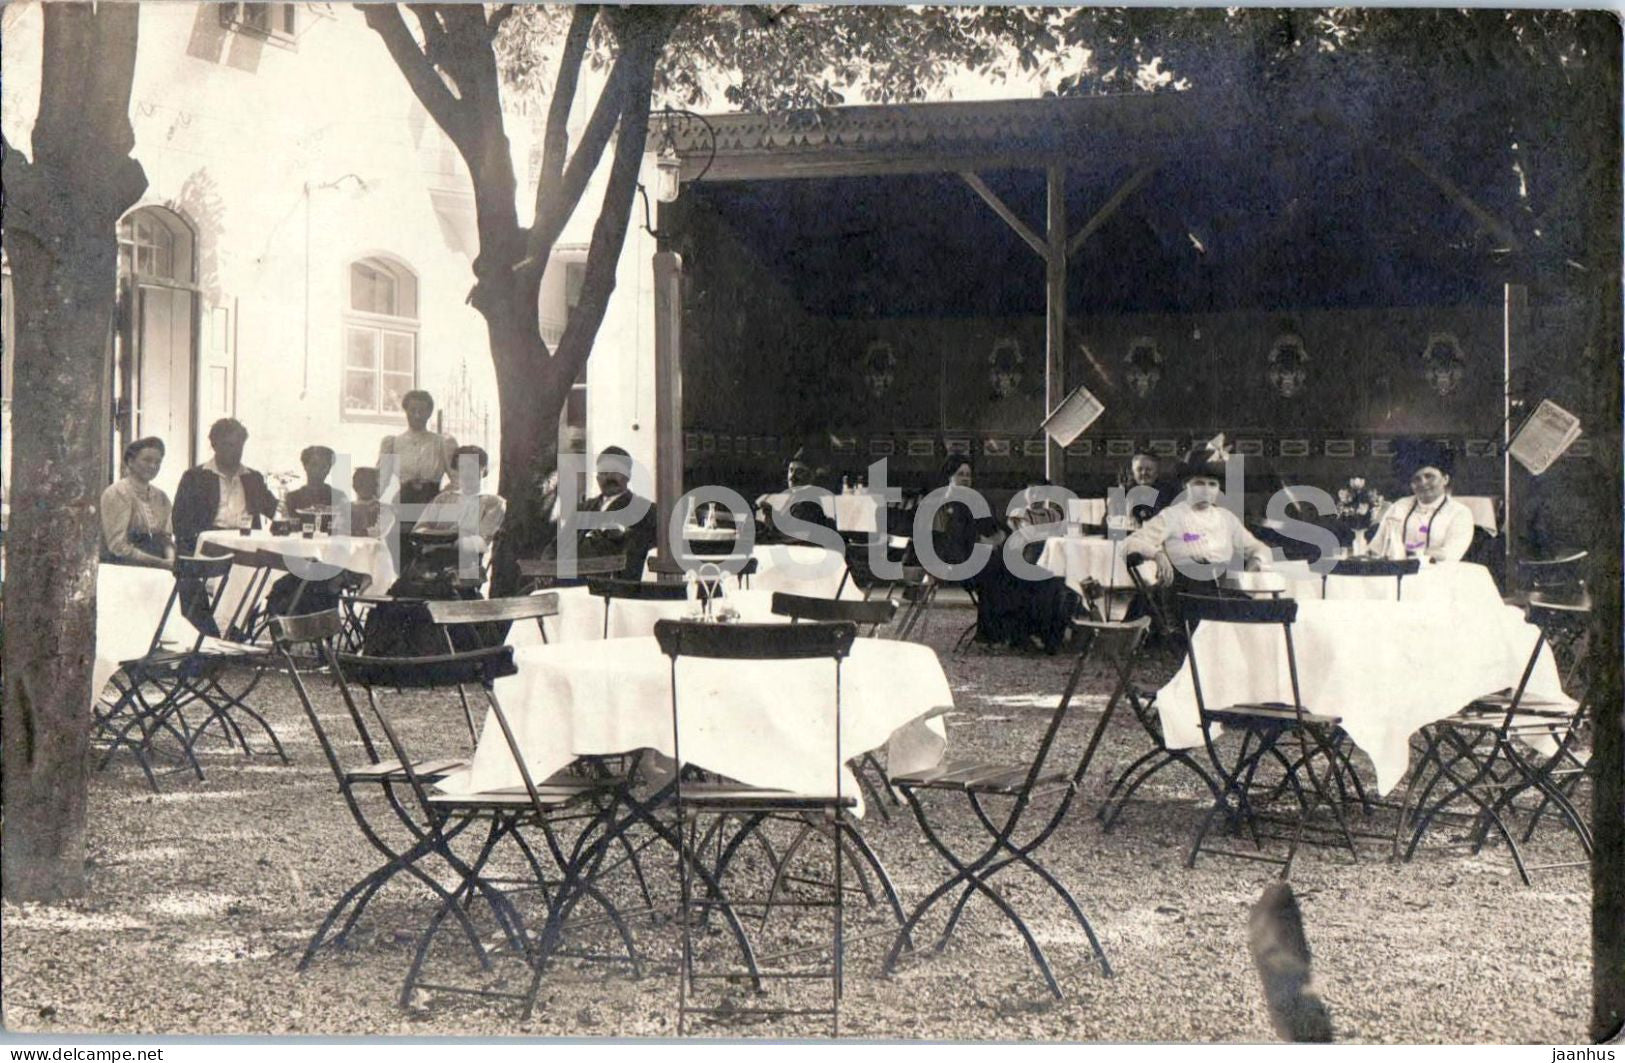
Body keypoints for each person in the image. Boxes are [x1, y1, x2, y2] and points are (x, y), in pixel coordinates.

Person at [930, 457, 1078, 653]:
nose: (965, 479)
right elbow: (948, 542)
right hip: (960, 565)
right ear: (949, 477)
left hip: (983, 561)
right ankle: (1022, 635)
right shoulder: (942, 503)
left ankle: (1039, 634)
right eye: (960, 474)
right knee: (1020, 579)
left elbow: (994, 529)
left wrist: (994, 539)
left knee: (1037, 578)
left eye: (968, 475)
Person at [1123, 441, 1270, 599]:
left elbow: (1260, 548)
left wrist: (1255, 560)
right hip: (1185, 594)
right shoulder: (1172, 516)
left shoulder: (1226, 518)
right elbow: (1129, 544)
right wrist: (1157, 554)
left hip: (1223, 591)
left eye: (1212, 484)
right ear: (1186, 486)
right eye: (1199, 483)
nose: (1206, 491)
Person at [172, 418, 279, 553]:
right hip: (210, 548)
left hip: (248, 547)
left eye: (238, 445)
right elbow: (180, 523)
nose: (234, 451)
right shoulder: (194, 477)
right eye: (228, 445)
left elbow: (275, 510)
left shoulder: (253, 479)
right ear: (214, 445)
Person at [1366, 441, 1474, 564]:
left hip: (1440, 576)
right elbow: (1377, 547)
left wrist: (1409, 553)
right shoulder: (1399, 506)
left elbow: (1451, 554)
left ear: (1445, 479)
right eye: (1416, 479)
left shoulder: (1460, 513)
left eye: (1429, 476)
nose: (1423, 483)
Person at [572, 445, 658, 580]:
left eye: (615, 471)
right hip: (575, 584)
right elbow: (557, 546)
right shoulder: (583, 508)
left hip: (616, 585)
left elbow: (642, 553)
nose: (609, 478)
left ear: (628, 475)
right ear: (597, 477)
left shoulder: (646, 510)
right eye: (604, 472)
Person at [100, 436, 175, 568]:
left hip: (160, 565)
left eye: (158, 462)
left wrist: (170, 560)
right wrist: (160, 563)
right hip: (125, 566)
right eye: (147, 460)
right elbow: (117, 546)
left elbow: (166, 539)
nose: (153, 466)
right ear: (130, 462)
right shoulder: (117, 493)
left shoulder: (161, 497)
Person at [377, 389, 458, 508]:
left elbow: (458, 481)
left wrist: (442, 499)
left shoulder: (442, 443)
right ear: (405, 411)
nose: (417, 415)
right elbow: (381, 482)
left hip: (433, 509)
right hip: (402, 509)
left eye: (422, 411)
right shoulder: (393, 443)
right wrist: (385, 504)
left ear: (429, 413)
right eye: (412, 410)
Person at [757, 447, 836, 542]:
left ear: (811, 476)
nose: (792, 477)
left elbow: (795, 537)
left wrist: (772, 518)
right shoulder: (794, 497)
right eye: (791, 470)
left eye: (799, 472)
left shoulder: (809, 502)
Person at [285, 445, 349, 519]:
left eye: (324, 466)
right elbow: (278, 528)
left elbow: (347, 526)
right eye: (314, 465)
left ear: (328, 469)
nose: (318, 470)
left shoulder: (338, 497)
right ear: (305, 466)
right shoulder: (292, 497)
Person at [1123, 450, 1177, 527]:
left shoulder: (1169, 493)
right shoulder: (1123, 493)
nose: (1144, 473)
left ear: (1157, 472)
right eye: (1139, 469)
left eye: (1149, 469)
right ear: (1133, 472)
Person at [350, 467, 382, 538]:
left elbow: (377, 532)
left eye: (368, 482)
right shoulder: (346, 508)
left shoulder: (382, 509)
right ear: (354, 485)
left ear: (375, 485)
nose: (365, 486)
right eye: (360, 482)